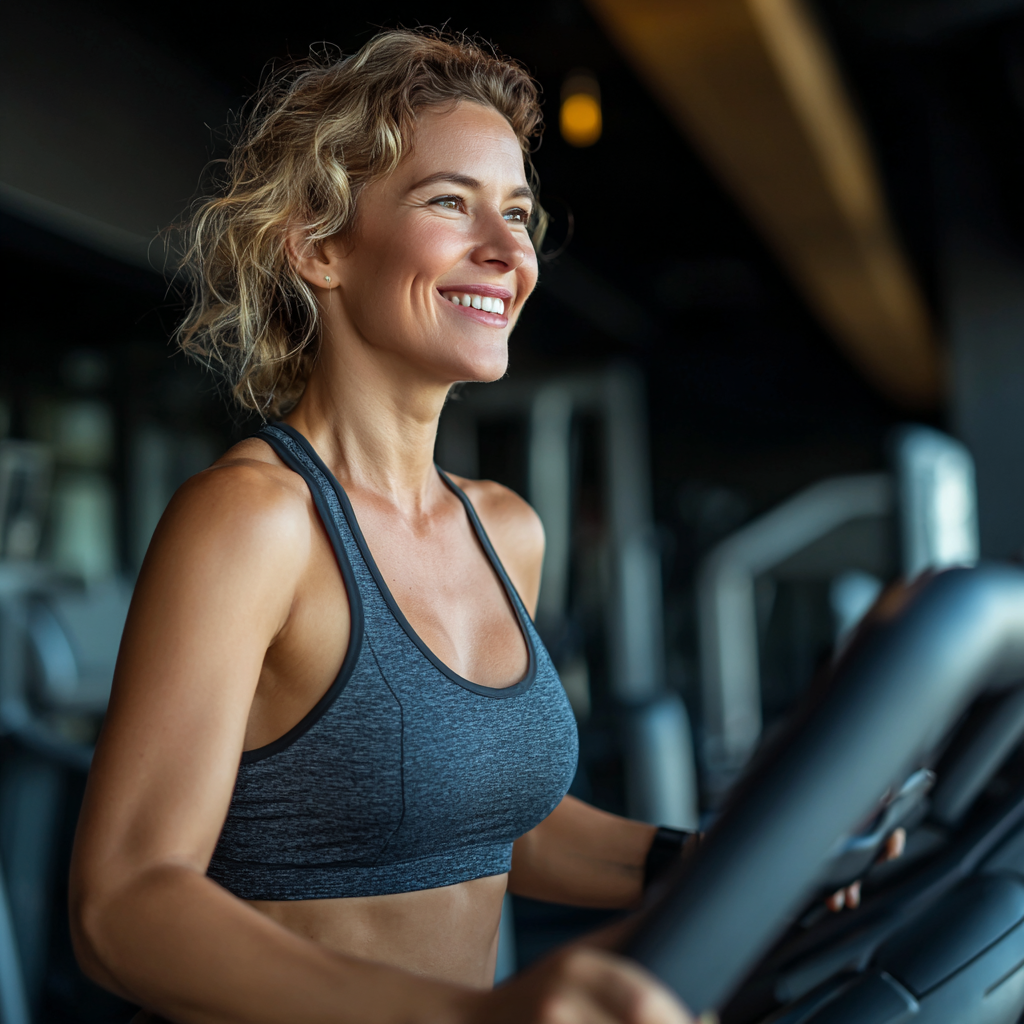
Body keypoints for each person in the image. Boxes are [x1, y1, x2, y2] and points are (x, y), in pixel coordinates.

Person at [69, 28, 698, 1024]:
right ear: (318, 245)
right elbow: (123, 904)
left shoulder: (506, 530)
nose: (507, 249)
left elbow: (496, 823)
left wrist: (700, 860)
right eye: (451, 201)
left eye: (520, 212)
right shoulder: (255, 521)